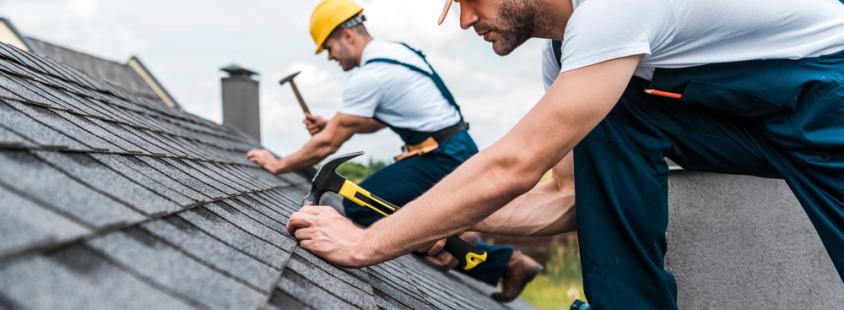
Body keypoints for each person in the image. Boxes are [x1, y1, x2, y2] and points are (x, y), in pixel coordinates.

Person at [286, 0, 844, 308]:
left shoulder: (613, 11)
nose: (464, 20)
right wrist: (438, 223)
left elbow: (516, 164)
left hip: (830, 96)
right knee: (613, 116)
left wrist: (368, 242)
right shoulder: (568, 60)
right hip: (759, 116)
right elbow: (569, 197)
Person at [247, 0, 542, 301]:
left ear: (347, 35)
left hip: (441, 156)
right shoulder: (396, 53)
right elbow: (374, 121)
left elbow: (328, 143)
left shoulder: (370, 74)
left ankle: (468, 250)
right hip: (453, 147)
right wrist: (331, 124)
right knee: (397, 209)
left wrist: (278, 164)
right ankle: (490, 256)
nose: (330, 57)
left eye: (329, 48)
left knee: (359, 207)